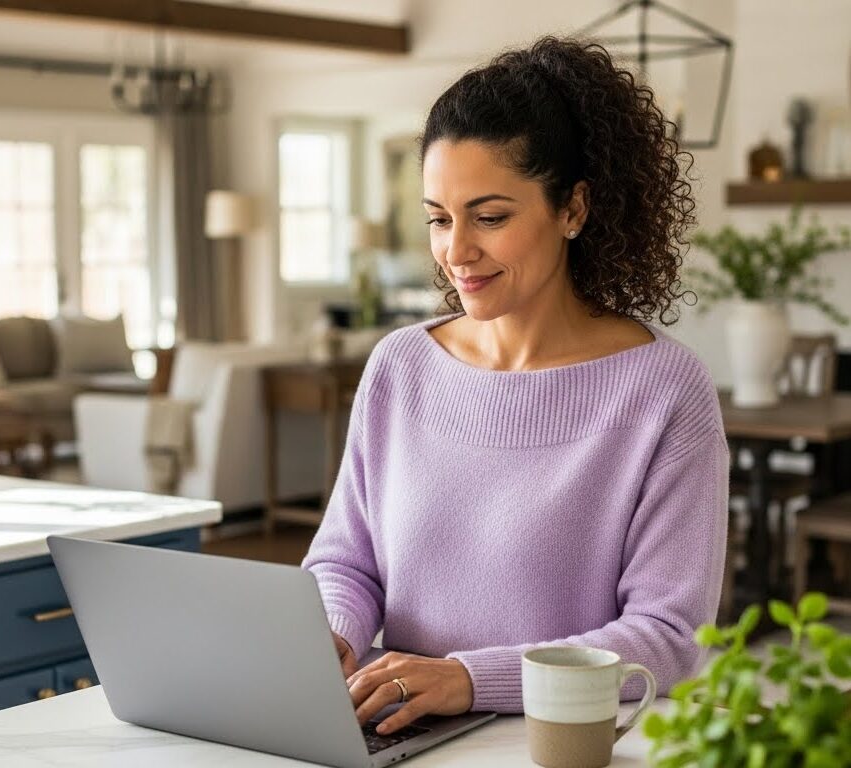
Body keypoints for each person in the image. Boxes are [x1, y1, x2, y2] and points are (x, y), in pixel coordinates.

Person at [300, 36, 729, 737]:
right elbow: (346, 560)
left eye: (490, 217)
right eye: (439, 217)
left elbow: (669, 636)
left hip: (556, 742)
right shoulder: (399, 366)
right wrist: (333, 633)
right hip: (395, 731)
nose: (456, 252)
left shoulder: (663, 390)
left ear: (573, 209)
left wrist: (469, 679)